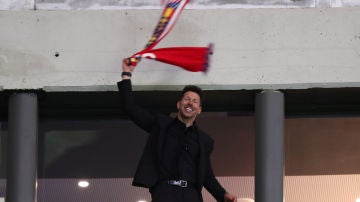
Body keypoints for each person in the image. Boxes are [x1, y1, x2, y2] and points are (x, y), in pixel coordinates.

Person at [118, 59, 237, 202]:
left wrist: (223, 195)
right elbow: (130, 108)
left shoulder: (204, 141)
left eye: (195, 101)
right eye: (187, 99)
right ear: (179, 104)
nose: (190, 103)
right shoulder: (160, 125)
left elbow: (207, 175)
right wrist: (126, 74)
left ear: (199, 110)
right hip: (164, 192)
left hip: (191, 195)